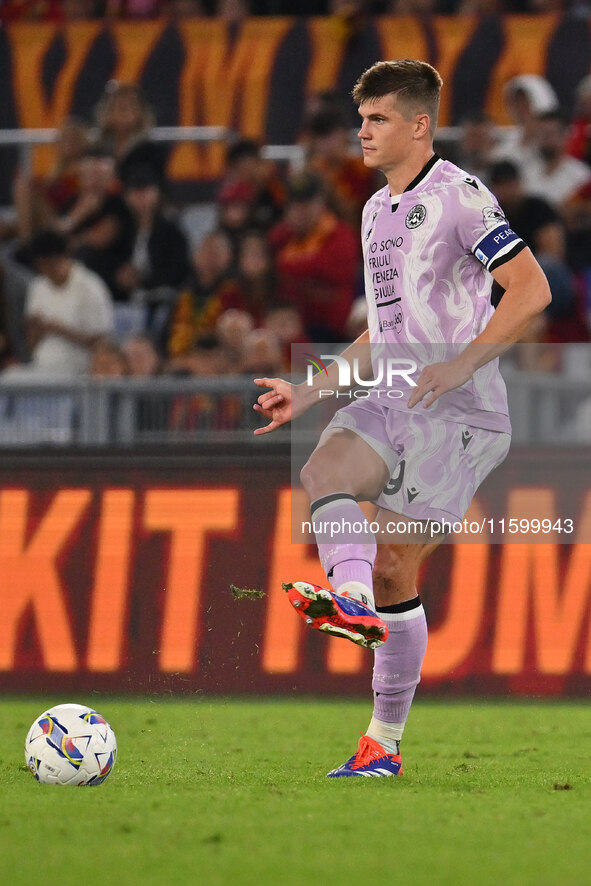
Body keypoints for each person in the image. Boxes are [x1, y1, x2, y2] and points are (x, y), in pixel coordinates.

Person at [253, 59, 551, 778]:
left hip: (461, 414)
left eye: (377, 118)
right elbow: (382, 337)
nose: (362, 131)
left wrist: (461, 363)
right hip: (392, 393)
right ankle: (348, 602)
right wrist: (311, 389)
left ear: (419, 126)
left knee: (395, 566)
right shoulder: (373, 209)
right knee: (322, 466)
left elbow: (530, 288)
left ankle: (381, 743)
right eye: (361, 118)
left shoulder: (459, 196)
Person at [18, 229, 114, 377]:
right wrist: (36, 329)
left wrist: (60, 330)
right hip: (41, 368)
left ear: (64, 256)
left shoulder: (90, 287)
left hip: (78, 372)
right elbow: (31, 345)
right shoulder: (38, 286)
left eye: (50, 264)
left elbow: (102, 344)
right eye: (41, 265)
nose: (46, 270)